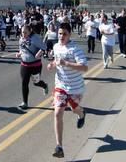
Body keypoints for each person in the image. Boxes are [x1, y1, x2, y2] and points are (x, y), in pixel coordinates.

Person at [47, 22, 88, 158]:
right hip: (61, 86)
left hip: (75, 87)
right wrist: (52, 64)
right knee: (58, 112)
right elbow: (57, 60)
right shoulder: (56, 46)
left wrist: (67, 63)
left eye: (64, 34)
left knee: (74, 109)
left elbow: (84, 68)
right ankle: (59, 147)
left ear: (69, 34)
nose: (61, 36)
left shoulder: (75, 49)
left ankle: (81, 114)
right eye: (59, 33)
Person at [16, 24, 49, 110]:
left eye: (25, 32)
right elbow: (22, 49)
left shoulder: (35, 38)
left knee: (36, 83)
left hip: (35, 65)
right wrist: (19, 53)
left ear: (30, 31)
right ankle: (25, 103)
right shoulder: (21, 39)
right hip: (24, 65)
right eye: (22, 32)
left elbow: (44, 47)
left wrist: (39, 53)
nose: (23, 34)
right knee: (24, 83)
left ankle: (44, 85)